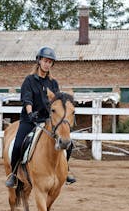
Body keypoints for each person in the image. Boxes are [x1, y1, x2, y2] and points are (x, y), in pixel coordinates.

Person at [5, 46, 76, 188]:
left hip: (47, 120)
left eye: (50, 62)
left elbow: (57, 102)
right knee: (18, 144)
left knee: (68, 143)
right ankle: (13, 174)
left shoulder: (53, 83)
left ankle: (65, 170)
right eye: (45, 61)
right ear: (39, 61)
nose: (47, 64)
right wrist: (30, 113)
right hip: (30, 119)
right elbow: (27, 99)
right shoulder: (29, 80)